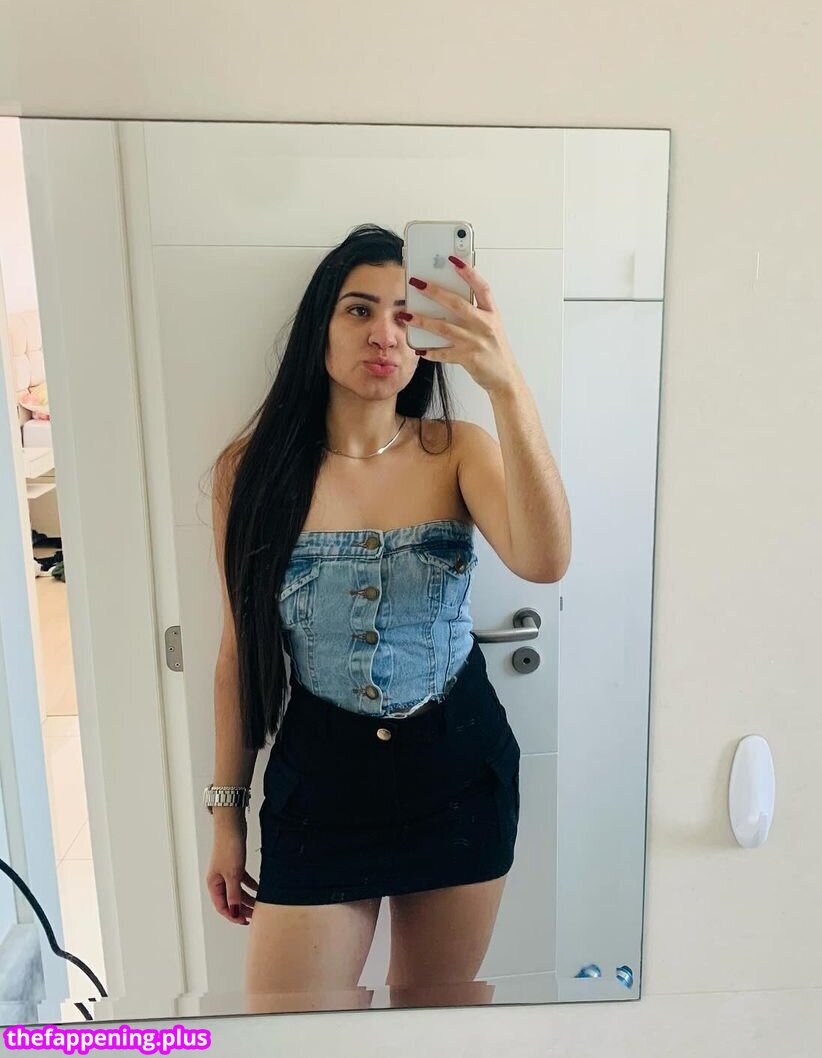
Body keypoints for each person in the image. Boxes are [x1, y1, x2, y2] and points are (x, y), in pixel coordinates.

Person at [202, 224, 571, 1011]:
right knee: (289, 1033)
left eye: (407, 314)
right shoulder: (252, 472)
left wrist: (505, 384)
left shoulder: (458, 450)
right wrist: (226, 817)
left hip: (459, 776)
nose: (383, 333)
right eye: (359, 309)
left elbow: (545, 560)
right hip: (320, 789)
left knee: (434, 1030)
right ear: (321, 328)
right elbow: (238, 655)